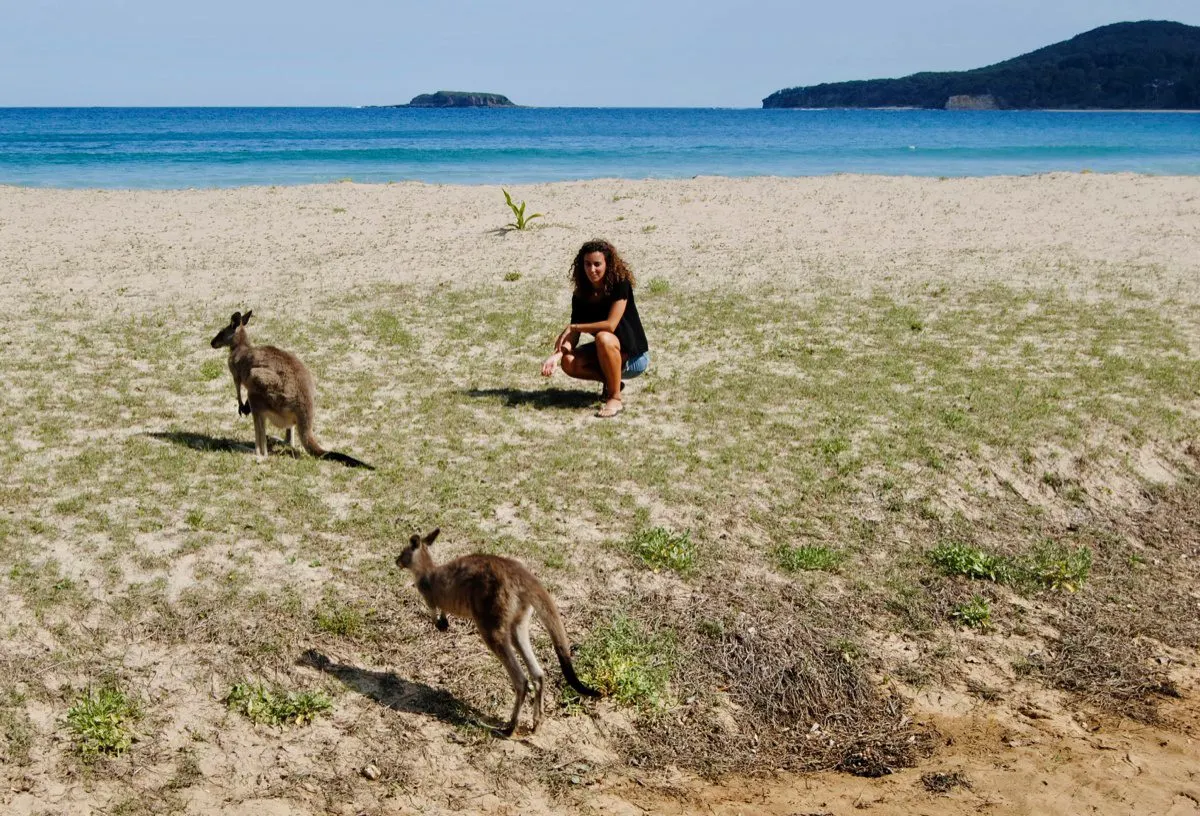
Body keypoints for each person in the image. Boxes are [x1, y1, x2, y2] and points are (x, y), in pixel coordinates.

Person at [541, 239, 650, 418]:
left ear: (608, 264)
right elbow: (573, 334)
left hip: (634, 357)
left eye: (597, 264)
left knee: (603, 337)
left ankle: (614, 398)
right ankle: (613, 382)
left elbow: (610, 325)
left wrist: (575, 327)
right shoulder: (581, 294)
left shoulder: (620, 285)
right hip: (607, 352)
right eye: (587, 264)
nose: (592, 270)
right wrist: (557, 355)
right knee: (569, 362)